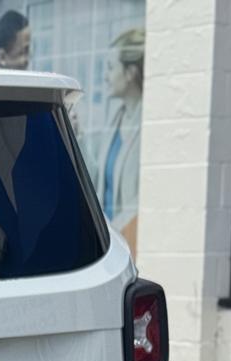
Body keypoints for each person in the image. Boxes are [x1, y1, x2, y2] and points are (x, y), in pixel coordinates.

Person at [98, 28, 144, 250]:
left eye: (110, 68)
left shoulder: (149, 125)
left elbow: (140, 203)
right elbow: (98, 178)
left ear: (130, 72)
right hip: (110, 244)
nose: (105, 76)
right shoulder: (115, 119)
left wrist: (111, 236)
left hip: (128, 244)